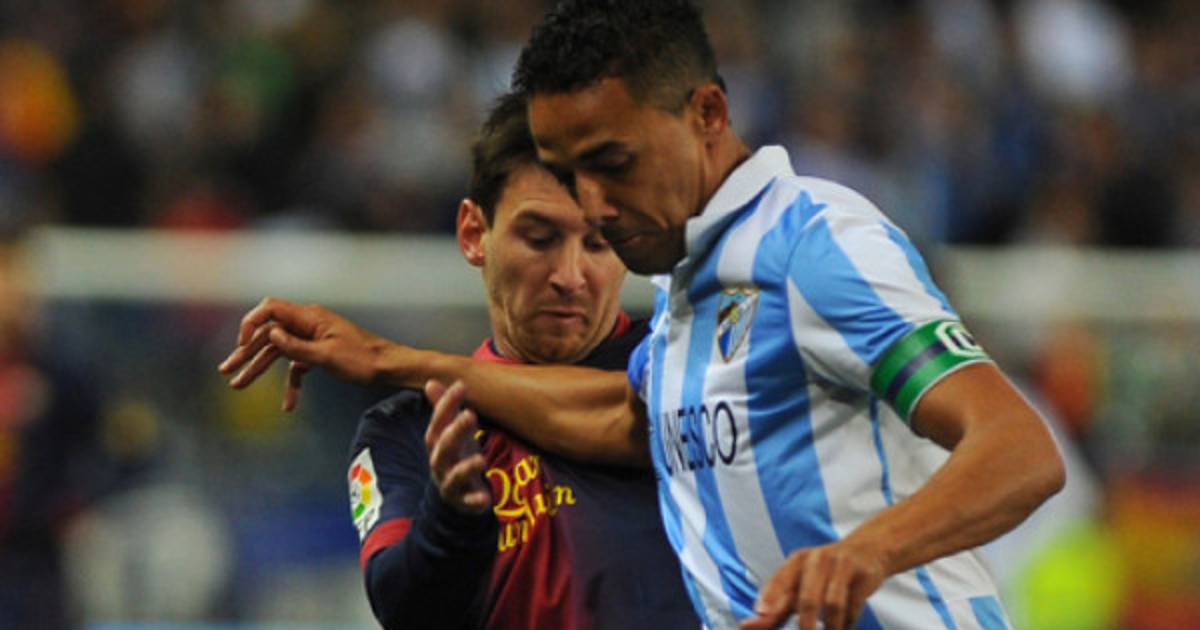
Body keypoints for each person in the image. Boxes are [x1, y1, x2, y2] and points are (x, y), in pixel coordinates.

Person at [220, 2, 1065, 628]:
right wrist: (393, 365)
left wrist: (867, 552)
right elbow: (624, 417)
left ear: (707, 116)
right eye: (569, 177)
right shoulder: (685, 293)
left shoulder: (815, 245)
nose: (596, 206)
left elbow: (1019, 449)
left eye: (613, 164)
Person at [338, 93, 695, 629]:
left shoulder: (684, 365)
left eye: (598, 243)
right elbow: (403, 611)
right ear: (473, 233)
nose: (570, 276)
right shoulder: (409, 428)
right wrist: (453, 517)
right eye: (540, 238)